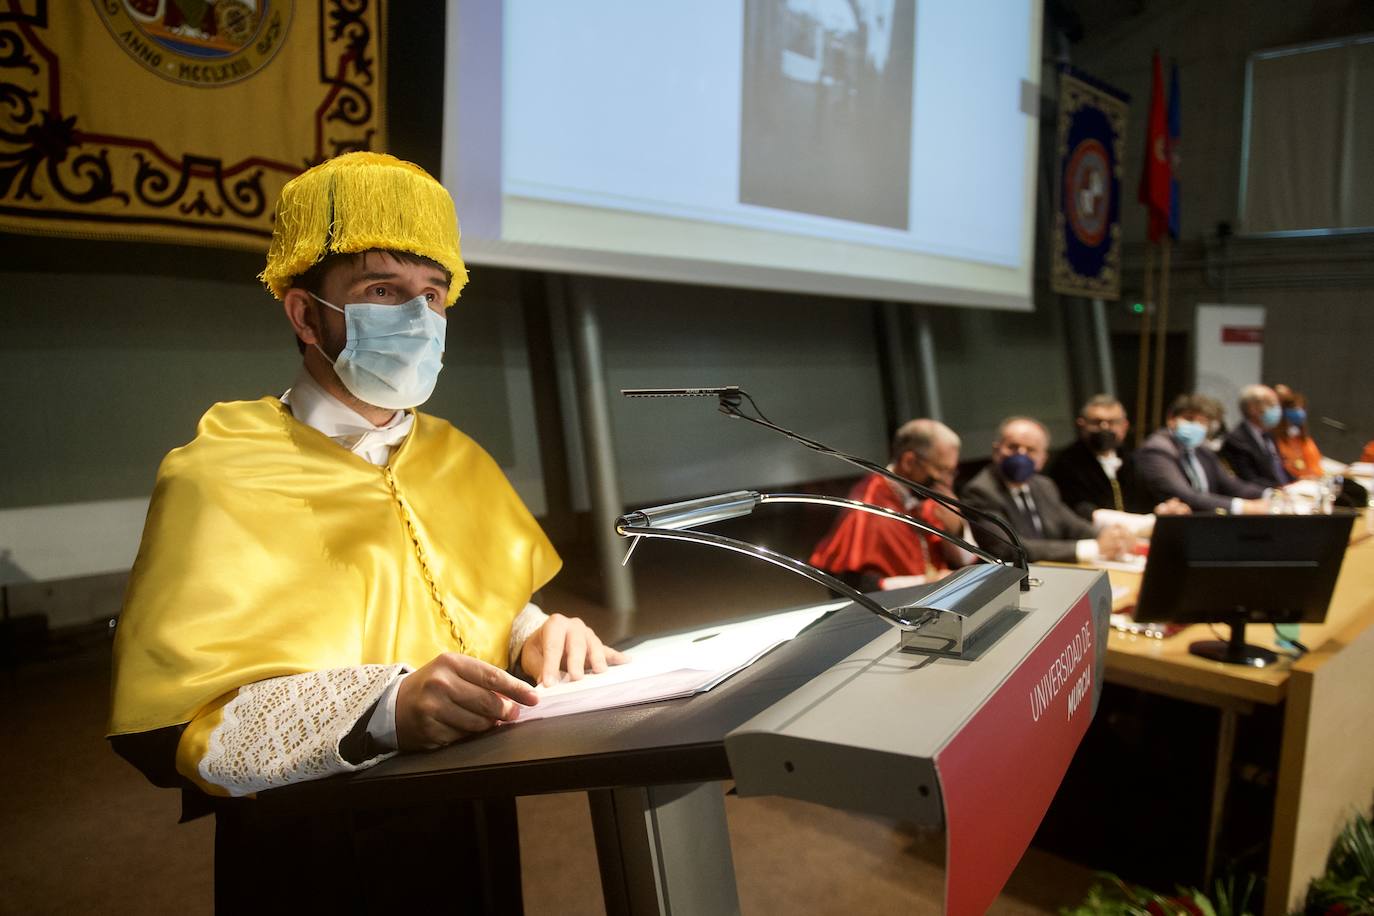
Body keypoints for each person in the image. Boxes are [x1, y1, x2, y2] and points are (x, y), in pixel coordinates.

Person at [106, 152, 624, 909]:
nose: (417, 319)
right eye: (382, 291)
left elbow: (467, 593)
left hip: (474, 810)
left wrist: (534, 630)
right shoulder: (219, 471)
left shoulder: (455, 455)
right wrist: (384, 711)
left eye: (433, 295)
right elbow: (179, 723)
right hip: (314, 840)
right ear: (304, 313)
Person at [809, 418, 975, 592]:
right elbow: (854, 584)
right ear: (909, 461)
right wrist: (925, 581)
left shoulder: (928, 493)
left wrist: (956, 528)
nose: (947, 482)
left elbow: (967, 560)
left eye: (951, 471)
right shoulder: (869, 503)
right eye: (943, 470)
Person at [960, 416, 1137, 564]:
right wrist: (1094, 547)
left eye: (1030, 450)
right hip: (1012, 583)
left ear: (1042, 459)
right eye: (1013, 447)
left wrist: (1110, 537)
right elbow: (1008, 549)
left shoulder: (1043, 485)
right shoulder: (980, 491)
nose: (1021, 454)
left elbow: (1071, 525)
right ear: (996, 450)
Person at [1046, 394, 1189, 521]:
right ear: (1082, 424)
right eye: (1096, 422)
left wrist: (1163, 508)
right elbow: (1079, 510)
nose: (1104, 428)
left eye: (1112, 422)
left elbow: (1149, 499)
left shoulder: (1131, 460)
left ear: (1124, 426)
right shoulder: (1066, 463)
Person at [1137, 393, 1271, 514]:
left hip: (1203, 523)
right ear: (1171, 420)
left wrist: (1272, 495)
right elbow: (1184, 496)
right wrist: (1245, 507)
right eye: (1189, 419)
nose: (1195, 425)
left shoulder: (1202, 449)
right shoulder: (1158, 449)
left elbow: (1234, 486)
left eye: (1202, 421)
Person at [1219, 384, 1292, 488]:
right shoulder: (1236, 440)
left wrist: (1297, 483)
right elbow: (1249, 480)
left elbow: (1279, 470)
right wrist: (1282, 489)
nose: (1277, 410)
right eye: (1271, 405)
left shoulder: (1268, 435)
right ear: (1252, 409)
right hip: (1263, 496)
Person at [1271, 384, 1325, 480]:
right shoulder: (1273, 438)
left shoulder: (1304, 440)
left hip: (1308, 484)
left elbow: (1316, 468)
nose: (1299, 412)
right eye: (1294, 408)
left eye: (1301, 408)